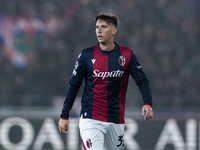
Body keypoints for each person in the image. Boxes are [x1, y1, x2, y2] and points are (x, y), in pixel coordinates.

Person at [58, 12, 153, 150]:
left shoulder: (126, 55)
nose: (99, 30)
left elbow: (142, 81)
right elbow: (74, 85)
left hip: (116, 119)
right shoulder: (86, 55)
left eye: (104, 26)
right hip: (90, 118)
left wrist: (147, 103)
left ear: (114, 30)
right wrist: (64, 115)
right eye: (97, 27)